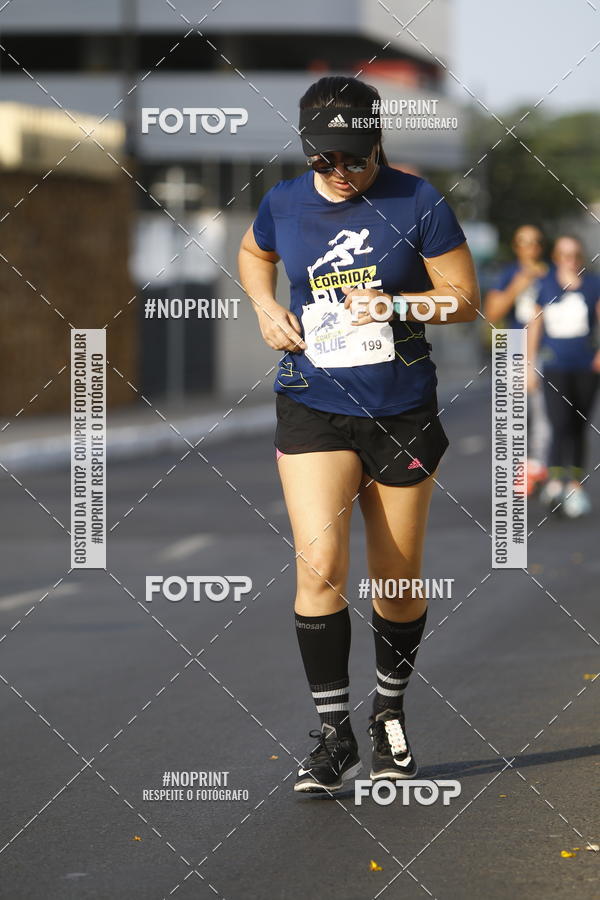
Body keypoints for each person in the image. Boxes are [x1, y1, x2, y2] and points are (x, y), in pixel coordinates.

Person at [238, 76, 479, 794]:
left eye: (351, 159)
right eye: (322, 160)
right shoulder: (284, 201)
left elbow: (466, 302)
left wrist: (397, 302)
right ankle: (335, 732)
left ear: (379, 143)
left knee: (398, 578)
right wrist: (262, 307)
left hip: (401, 408)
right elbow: (256, 256)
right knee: (320, 567)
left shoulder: (418, 200)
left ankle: (389, 713)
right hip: (313, 402)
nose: (336, 174)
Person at [527, 235, 600, 517]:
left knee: (580, 425)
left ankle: (575, 483)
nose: (570, 259)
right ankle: (556, 481)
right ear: (556, 257)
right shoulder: (545, 285)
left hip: (585, 366)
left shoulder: (593, 284)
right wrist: (530, 365)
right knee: (559, 423)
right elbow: (535, 325)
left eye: (574, 254)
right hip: (555, 365)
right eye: (564, 254)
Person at [485, 225, 550, 495]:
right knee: (513, 415)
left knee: (544, 414)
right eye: (523, 242)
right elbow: (491, 313)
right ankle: (517, 470)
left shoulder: (552, 274)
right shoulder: (508, 275)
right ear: (516, 246)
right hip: (512, 347)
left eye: (535, 241)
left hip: (548, 349)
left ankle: (539, 467)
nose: (530, 247)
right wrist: (517, 286)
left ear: (540, 246)